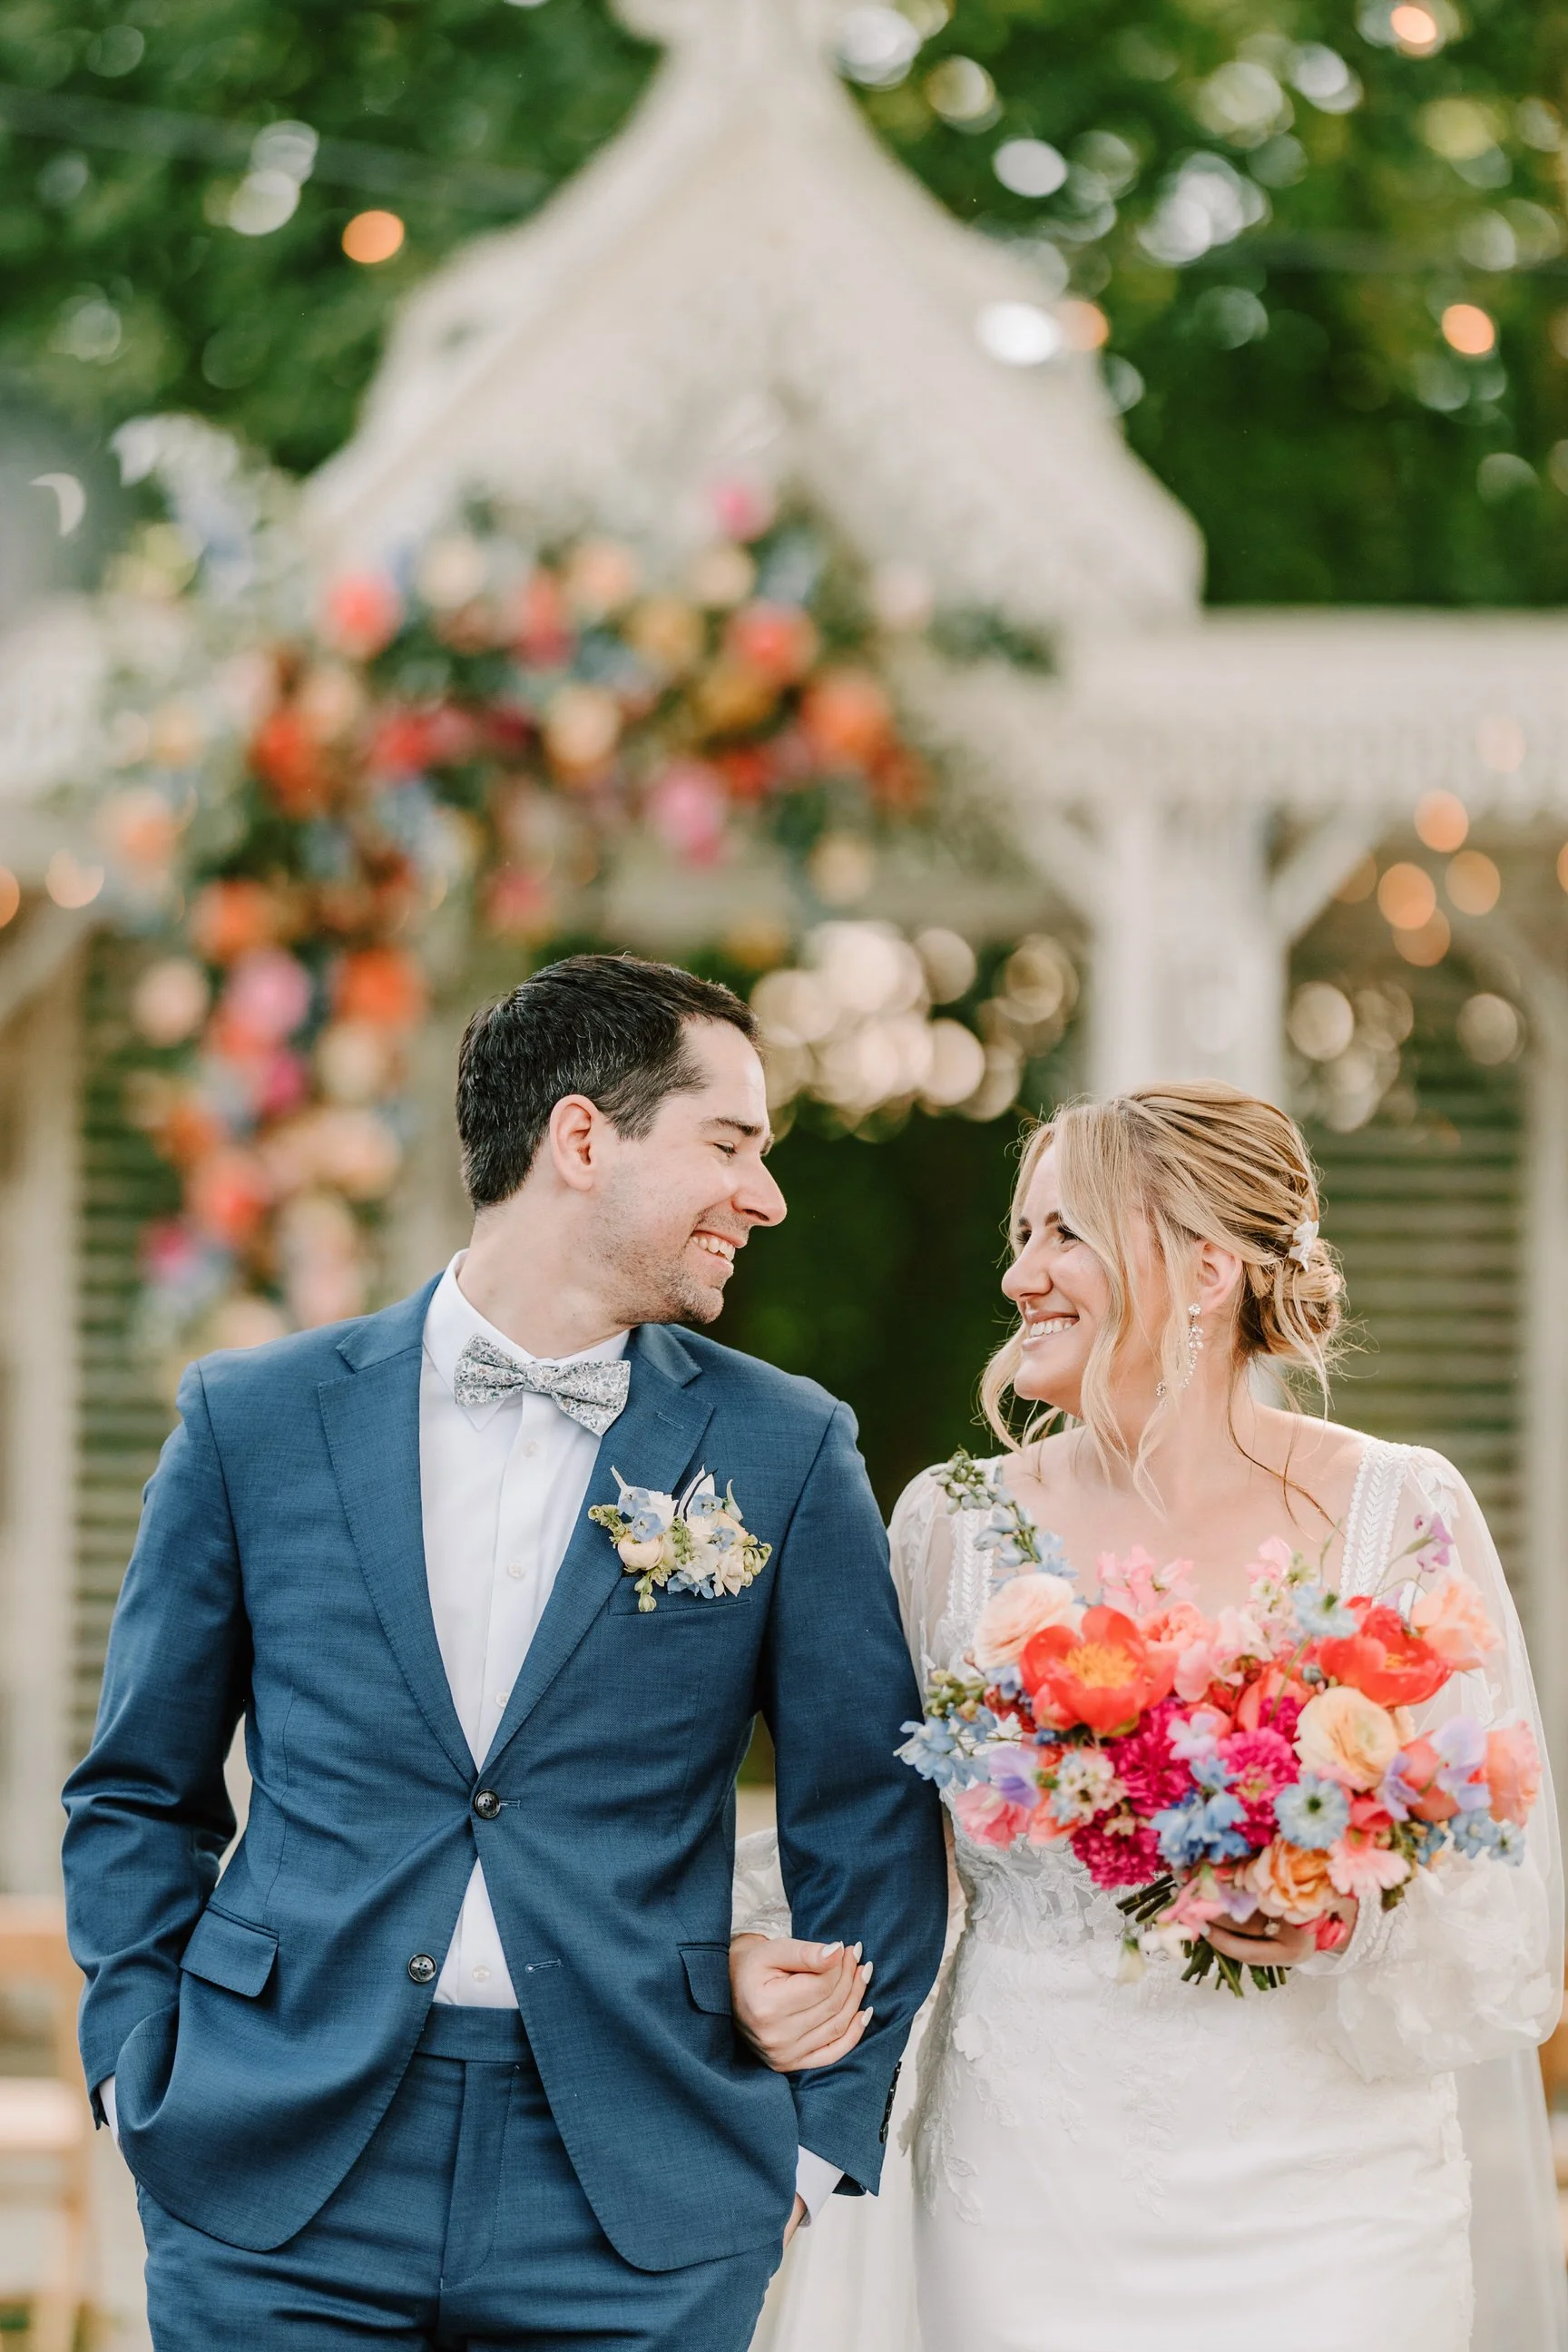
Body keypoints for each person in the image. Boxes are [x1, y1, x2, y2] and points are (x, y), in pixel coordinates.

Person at [62, 953, 947, 2351]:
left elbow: (872, 1816)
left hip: (636, 2194)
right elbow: (137, 1792)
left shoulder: (786, 1448)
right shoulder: (254, 1419)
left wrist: (809, 2149)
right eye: (731, 1143)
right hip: (273, 2170)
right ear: (582, 1138)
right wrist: (135, 2073)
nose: (764, 1196)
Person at [731, 1083, 1566, 2352]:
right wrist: (751, 1963)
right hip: (1030, 2186)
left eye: (1063, 1234)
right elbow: (862, 1846)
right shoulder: (950, 1527)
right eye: (1019, 1237)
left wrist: (1340, 1916)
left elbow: (1498, 1880)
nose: (1022, 1276)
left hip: (1335, 2193)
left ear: (1207, 1268)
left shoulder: (1401, 1511)